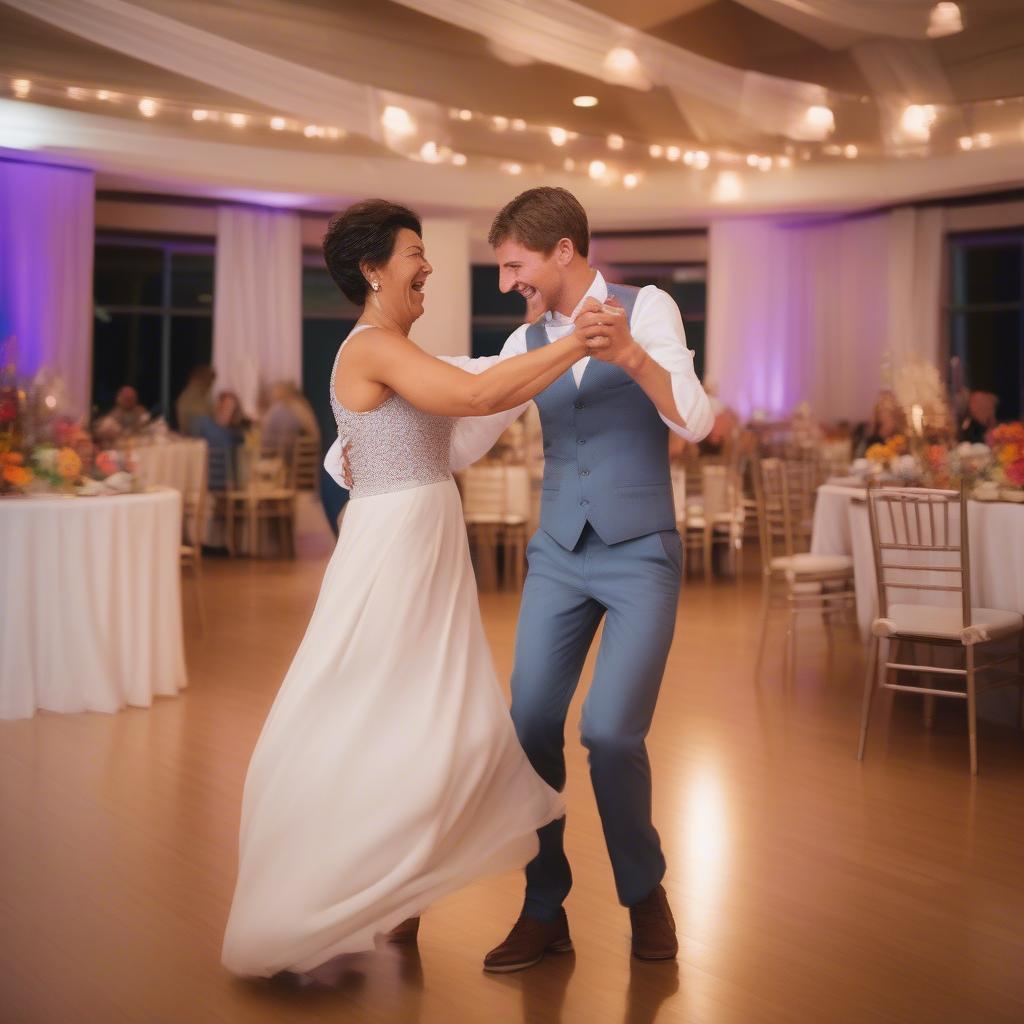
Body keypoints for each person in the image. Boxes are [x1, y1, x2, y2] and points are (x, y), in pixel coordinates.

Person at [221, 199, 613, 980]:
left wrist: (549, 347)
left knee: (427, 718)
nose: (426, 264)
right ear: (373, 269)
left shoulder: (398, 347)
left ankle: (397, 897)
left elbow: (476, 397)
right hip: (394, 549)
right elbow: (472, 396)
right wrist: (577, 339)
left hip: (427, 543)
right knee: (377, 712)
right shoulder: (370, 347)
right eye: (413, 252)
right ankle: (331, 893)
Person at [330, 186, 713, 971]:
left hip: (641, 553)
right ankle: (546, 908)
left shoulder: (649, 309)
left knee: (609, 734)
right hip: (560, 557)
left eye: (514, 266)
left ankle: (645, 896)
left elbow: (697, 419)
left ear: (562, 252)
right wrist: (360, 448)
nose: (507, 282)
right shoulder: (527, 340)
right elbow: (468, 431)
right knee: (527, 727)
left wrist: (631, 357)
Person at [260, 380, 321, 453]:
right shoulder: (304, 407)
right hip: (309, 460)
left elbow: (266, 441)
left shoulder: (281, 410)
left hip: (285, 460)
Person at [175, 364, 216, 436]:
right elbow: (206, 413)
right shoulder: (191, 394)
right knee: (206, 422)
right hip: (193, 432)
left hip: (196, 430)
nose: (212, 383)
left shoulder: (202, 393)